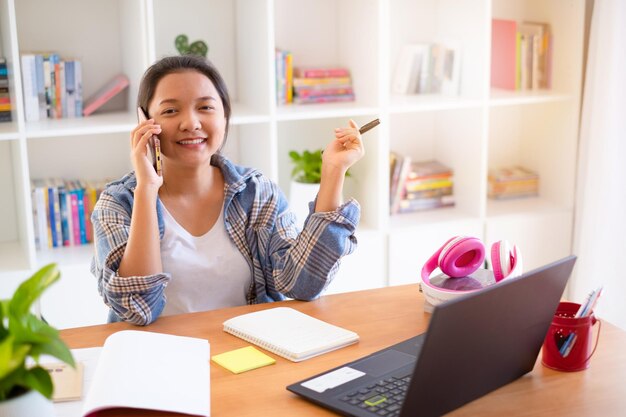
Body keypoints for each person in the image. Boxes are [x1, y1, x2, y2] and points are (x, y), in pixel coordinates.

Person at [91, 55, 365, 325]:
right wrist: (146, 189)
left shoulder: (256, 193)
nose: (191, 123)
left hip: (245, 355)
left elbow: (302, 284)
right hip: (156, 356)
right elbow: (138, 310)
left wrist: (333, 171)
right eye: (170, 111)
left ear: (225, 117)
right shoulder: (119, 203)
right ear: (145, 124)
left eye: (205, 108)